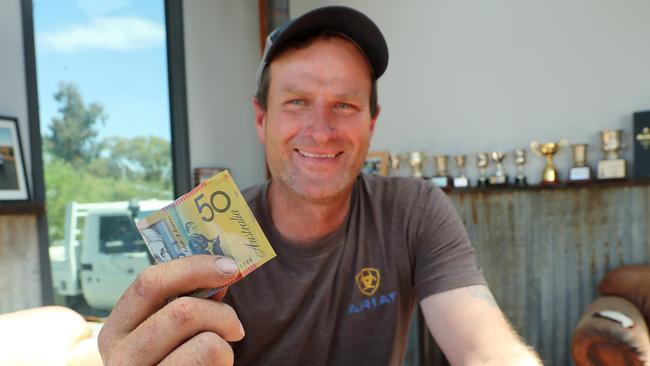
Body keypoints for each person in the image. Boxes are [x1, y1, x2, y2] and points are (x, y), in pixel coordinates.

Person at [98, 6, 541, 365]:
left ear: (372, 121)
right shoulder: (202, 238)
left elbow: (484, 346)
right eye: (297, 102)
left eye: (345, 105)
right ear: (261, 119)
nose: (322, 130)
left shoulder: (414, 210)